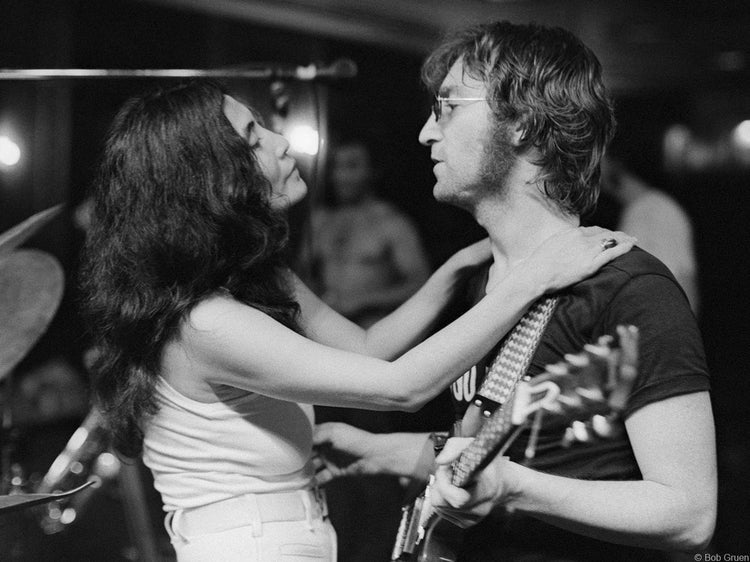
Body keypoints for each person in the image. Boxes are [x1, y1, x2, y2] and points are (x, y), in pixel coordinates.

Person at [78, 79, 632, 562]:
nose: (281, 141)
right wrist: (534, 279)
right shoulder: (205, 323)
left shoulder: (251, 279)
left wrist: (461, 263)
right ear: (215, 183)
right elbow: (401, 388)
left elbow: (367, 348)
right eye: (254, 140)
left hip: (286, 533)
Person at [314, 21, 716, 560]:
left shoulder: (628, 290)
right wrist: (384, 451)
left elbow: (689, 514)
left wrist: (514, 488)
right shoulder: (480, 284)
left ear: (522, 121)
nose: (426, 134)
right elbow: (518, 448)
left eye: (449, 107)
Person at [309, 138, 432, 561]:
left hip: (372, 360)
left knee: (376, 470)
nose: (344, 175)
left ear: (371, 172)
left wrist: (362, 302)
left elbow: (420, 281)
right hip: (324, 362)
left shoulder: (389, 222)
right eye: (339, 166)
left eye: (353, 165)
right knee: (330, 465)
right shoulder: (319, 221)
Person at [600, 153, 700, 313]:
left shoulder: (654, 210)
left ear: (617, 163)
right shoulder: (642, 209)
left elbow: (679, 281)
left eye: (601, 160)